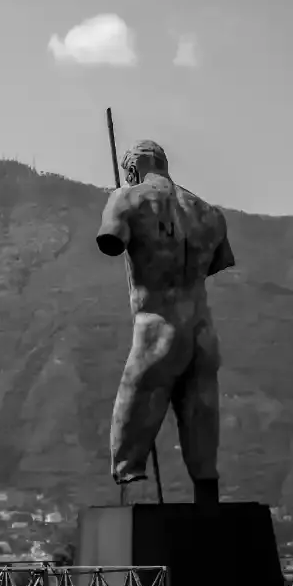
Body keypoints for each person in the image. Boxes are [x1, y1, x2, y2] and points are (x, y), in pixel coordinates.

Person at [95, 140, 235, 505]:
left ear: (131, 169)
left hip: (158, 327)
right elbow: (218, 262)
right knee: (201, 413)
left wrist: (121, 200)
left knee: (135, 420)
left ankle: (129, 487)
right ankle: (207, 495)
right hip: (203, 331)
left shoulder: (127, 199)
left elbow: (110, 239)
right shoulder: (210, 213)